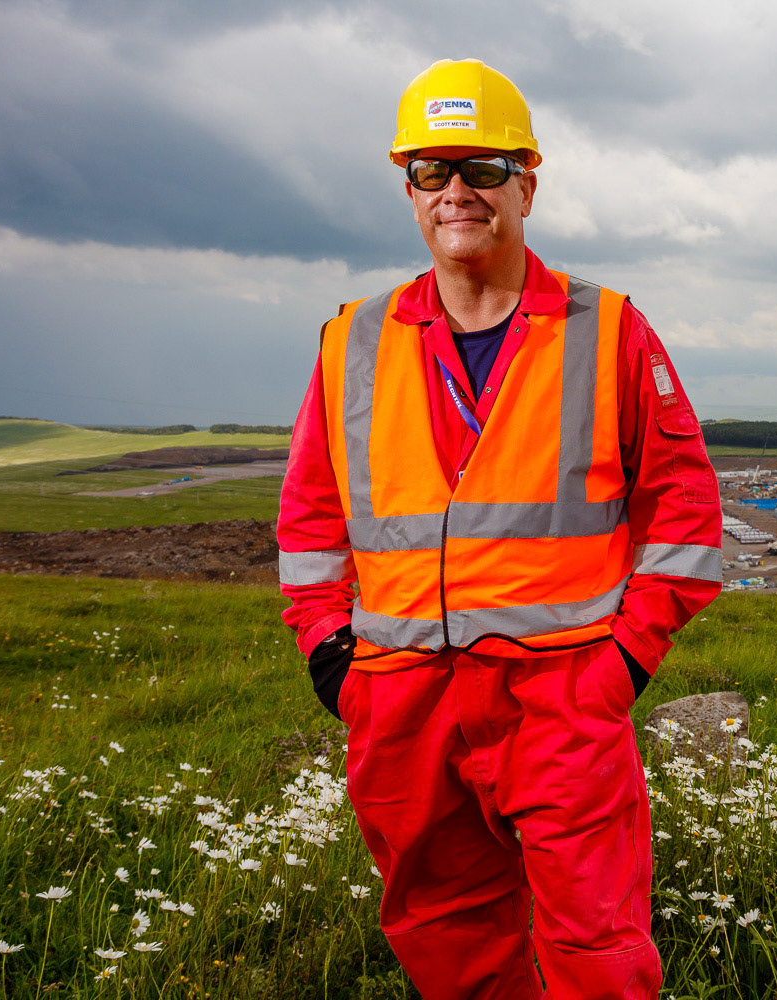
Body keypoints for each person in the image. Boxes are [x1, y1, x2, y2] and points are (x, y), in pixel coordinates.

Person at [275, 57, 722, 1000]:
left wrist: (624, 665)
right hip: (401, 704)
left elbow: (684, 515)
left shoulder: (609, 331)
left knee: (597, 952)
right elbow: (312, 520)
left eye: (480, 167)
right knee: (449, 944)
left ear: (527, 178)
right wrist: (330, 653)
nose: (456, 193)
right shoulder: (351, 340)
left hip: (560, 699)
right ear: (408, 187)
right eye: (431, 171)